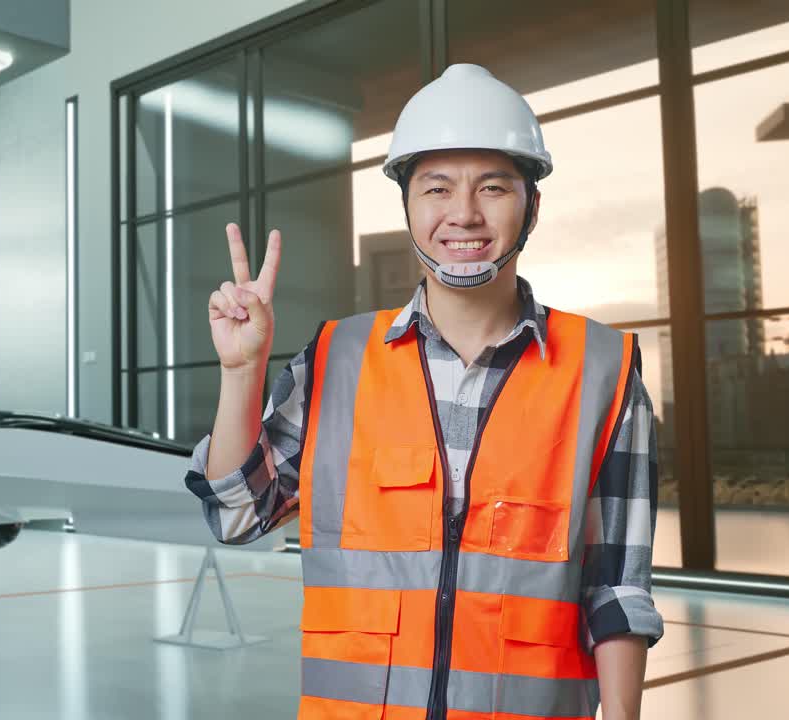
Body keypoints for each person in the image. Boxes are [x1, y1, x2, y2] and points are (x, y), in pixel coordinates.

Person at [184, 63, 662, 720]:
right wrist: (242, 372)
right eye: (436, 188)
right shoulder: (336, 359)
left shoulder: (605, 372)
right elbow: (237, 515)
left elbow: (617, 593)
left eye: (493, 187)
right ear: (407, 204)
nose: (463, 213)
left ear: (533, 206)